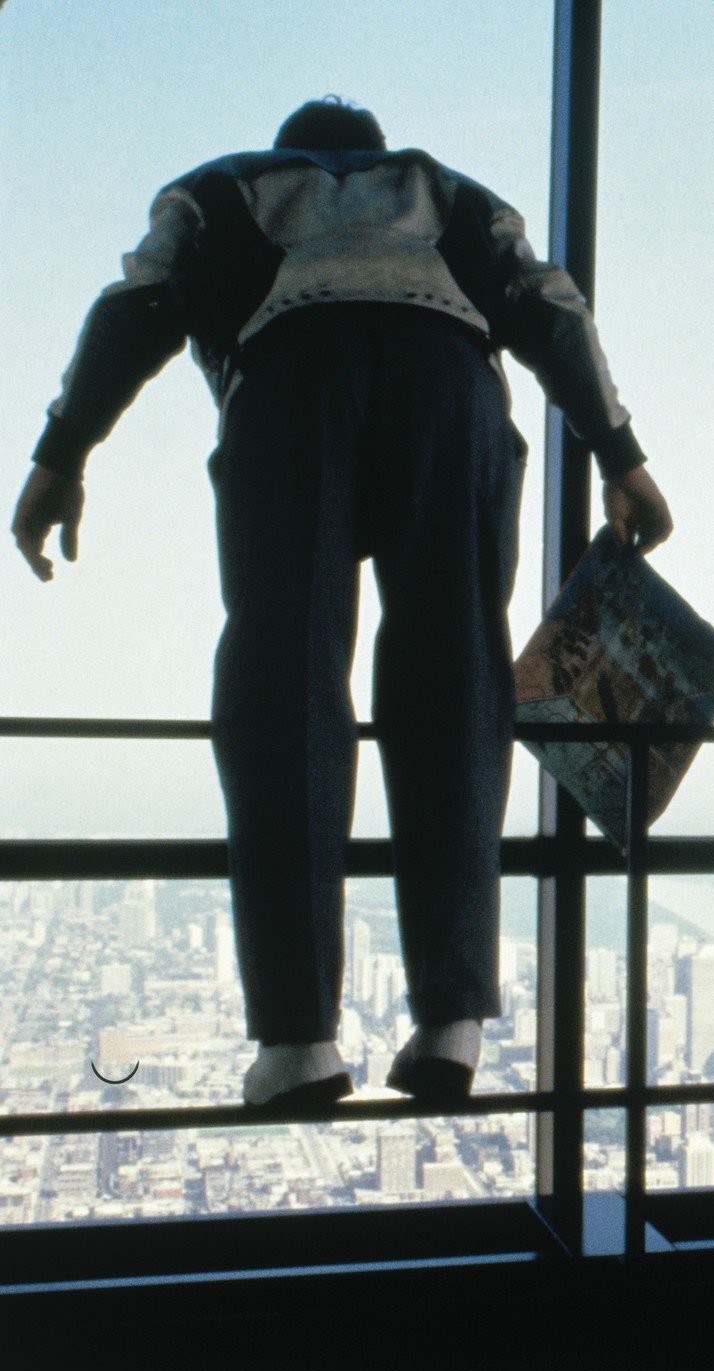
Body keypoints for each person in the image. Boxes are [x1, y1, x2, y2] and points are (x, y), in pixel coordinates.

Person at [10, 98, 672, 1109]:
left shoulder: (225, 184)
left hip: (291, 381)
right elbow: (551, 309)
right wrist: (621, 460)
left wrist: (61, 457)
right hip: (450, 387)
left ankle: (298, 1041)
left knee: (286, 680)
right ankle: (449, 1024)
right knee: (455, 678)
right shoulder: (453, 192)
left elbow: (133, 308)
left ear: (295, 147)